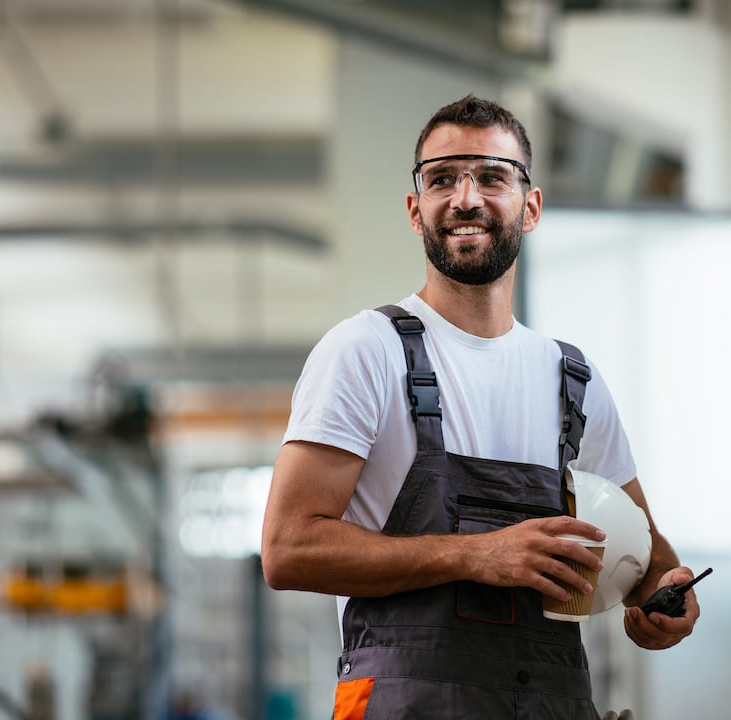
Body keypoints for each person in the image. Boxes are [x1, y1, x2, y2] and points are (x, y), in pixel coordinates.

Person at [261, 95, 699, 719]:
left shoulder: (572, 380)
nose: (466, 198)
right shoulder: (365, 352)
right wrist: (476, 554)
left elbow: (647, 555)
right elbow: (287, 549)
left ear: (532, 206)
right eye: (442, 179)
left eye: (493, 176)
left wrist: (663, 601)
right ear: (417, 210)